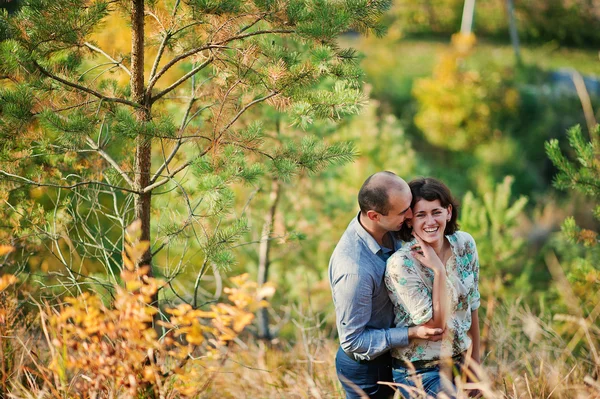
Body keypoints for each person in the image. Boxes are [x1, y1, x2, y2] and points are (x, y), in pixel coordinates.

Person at [329, 171, 444, 399]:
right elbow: (353, 341)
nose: (411, 214)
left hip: (400, 357)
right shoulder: (354, 270)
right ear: (374, 216)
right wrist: (411, 333)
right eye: (403, 211)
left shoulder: (391, 229)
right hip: (367, 369)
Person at [385, 177, 481, 398]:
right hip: (420, 370)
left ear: (448, 212)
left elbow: (473, 305)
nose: (430, 221)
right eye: (421, 215)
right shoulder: (401, 264)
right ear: (409, 220)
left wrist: (475, 366)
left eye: (436, 212)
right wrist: (439, 271)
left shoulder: (464, 244)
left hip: (461, 359)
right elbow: (435, 327)